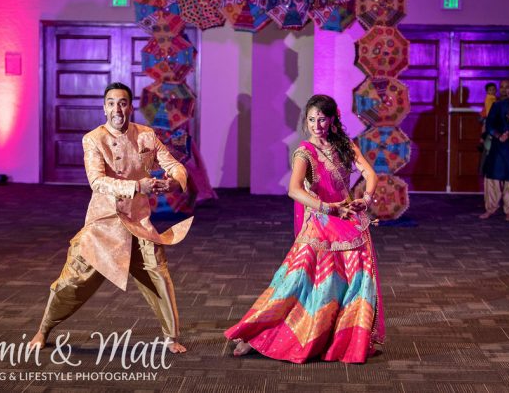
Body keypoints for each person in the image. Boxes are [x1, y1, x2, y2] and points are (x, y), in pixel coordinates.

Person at [29, 82, 192, 353]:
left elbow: (174, 165)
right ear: (104, 108)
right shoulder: (93, 139)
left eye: (123, 102)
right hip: (104, 223)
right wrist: (139, 186)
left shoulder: (146, 135)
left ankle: (171, 337)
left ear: (130, 106)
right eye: (112, 103)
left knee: (158, 274)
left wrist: (173, 183)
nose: (118, 109)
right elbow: (97, 181)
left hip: (139, 222)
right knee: (73, 281)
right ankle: (43, 328)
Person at [225, 94, 384, 364]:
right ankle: (256, 334)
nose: (316, 125)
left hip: (349, 224)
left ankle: (339, 337)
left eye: (322, 119)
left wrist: (365, 199)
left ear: (333, 120)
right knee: (296, 282)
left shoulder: (344, 145)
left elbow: (370, 173)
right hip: (321, 225)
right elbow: (294, 190)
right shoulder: (305, 152)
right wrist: (329, 208)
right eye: (311, 120)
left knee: (354, 284)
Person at [480, 79, 509, 221]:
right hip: (498, 146)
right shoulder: (497, 105)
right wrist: (498, 135)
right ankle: (490, 209)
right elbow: (489, 124)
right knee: (493, 178)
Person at [479, 82, 498, 174]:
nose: (492, 91)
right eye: (490, 90)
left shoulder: (493, 98)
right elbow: (489, 110)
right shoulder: (491, 99)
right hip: (489, 119)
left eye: (494, 89)